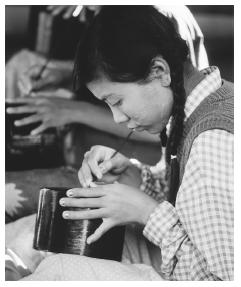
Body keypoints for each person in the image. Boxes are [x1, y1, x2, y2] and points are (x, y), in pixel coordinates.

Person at [6, 6, 233, 280]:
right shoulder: (195, 104)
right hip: (175, 248)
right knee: (39, 232)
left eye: (117, 101)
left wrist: (147, 213)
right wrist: (136, 177)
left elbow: (222, 279)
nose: (117, 118)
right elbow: (192, 200)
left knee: (61, 270)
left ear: (160, 71)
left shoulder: (213, 141)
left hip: (190, 269)